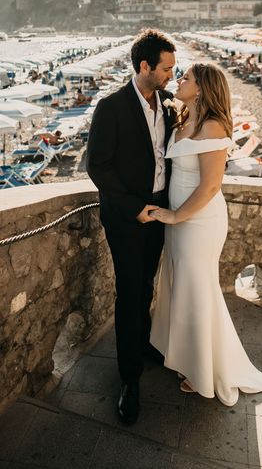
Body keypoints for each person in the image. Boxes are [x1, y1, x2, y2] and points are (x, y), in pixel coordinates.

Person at [149, 63, 262, 406]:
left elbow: (210, 185)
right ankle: (184, 355)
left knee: (196, 289)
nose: (179, 79)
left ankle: (201, 369)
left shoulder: (213, 126)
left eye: (185, 77)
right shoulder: (182, 118)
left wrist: (175, 215)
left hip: (200, 220)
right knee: (180, 286)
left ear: (202, 87)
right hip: (179, 221)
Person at [86, 29, 177, 425]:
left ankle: (141, 345)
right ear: (144, 66)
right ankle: (129, 379)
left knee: (146, 286)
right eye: (166, 69)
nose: (172, 75)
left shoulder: (171, 105)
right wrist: (134, 208)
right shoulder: (111, 106)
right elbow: (98, 167)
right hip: (126, 216)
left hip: (160, 212)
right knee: (128, 291)